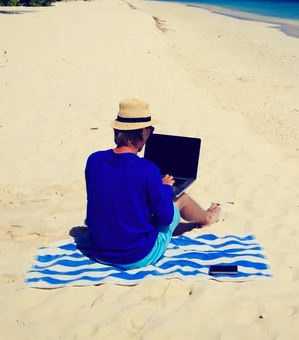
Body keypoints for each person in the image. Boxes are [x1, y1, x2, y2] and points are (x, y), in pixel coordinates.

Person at [85, 98, 221, 269]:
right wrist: (164, 188)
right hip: (136, 256)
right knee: (180, 198)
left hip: (100, 253)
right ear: (143, 132)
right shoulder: (147, 169)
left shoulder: (93, 160)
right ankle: (209, 217)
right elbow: (165, 217)